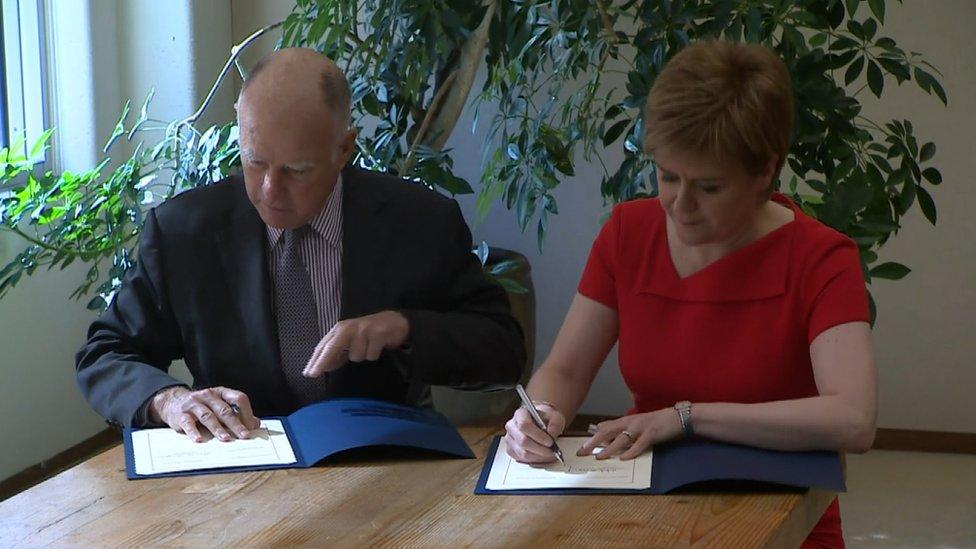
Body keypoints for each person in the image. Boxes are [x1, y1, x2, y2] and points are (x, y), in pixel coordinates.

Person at [503, 40, 876, 547]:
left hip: (781, 520)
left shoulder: (821, 258)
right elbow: (566, 369)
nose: (680, 206)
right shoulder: (628, 233)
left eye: (710, 187)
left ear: (766, 171)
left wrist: (687, 417)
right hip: (647, 509)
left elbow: (853, 420)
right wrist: (540, 413)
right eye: (667, 176)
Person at [76, 48, 525, 443]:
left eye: (297, 170)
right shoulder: (184, 233)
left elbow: (502, 352)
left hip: (384, 463)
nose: (271, 191)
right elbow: (105, 353)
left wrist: (404, 327)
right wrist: (169, 400)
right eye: (255, 162)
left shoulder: (418, 221)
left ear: (344, 148)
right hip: (243, 463)